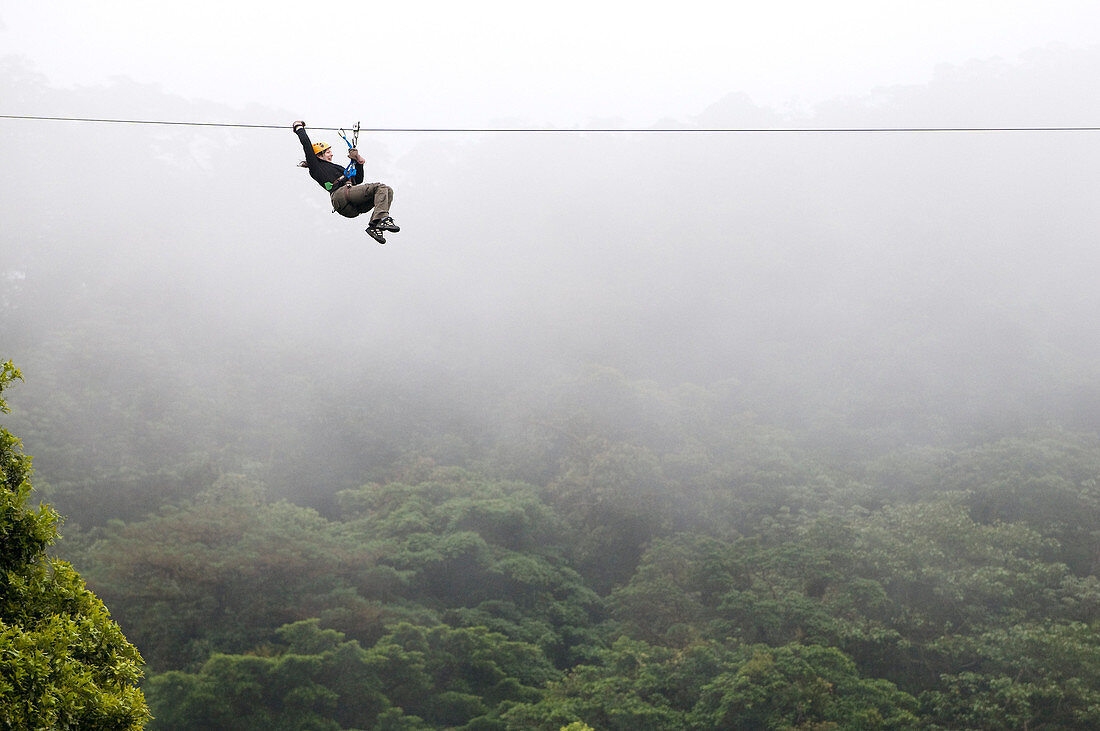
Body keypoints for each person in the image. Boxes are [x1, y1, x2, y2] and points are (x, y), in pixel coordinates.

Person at [292, 120, 399, 244]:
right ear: (319, 155)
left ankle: (374, 226)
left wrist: (358, 162)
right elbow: (306, 144)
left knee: (388, 191)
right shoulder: (316, 167)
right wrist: (298, 127)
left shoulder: (338, 169)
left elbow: (358, 180)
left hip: (351, 205)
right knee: (380, 187)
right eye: (327, 152)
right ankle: (382, 219)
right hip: (340, 196)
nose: (331, 154)